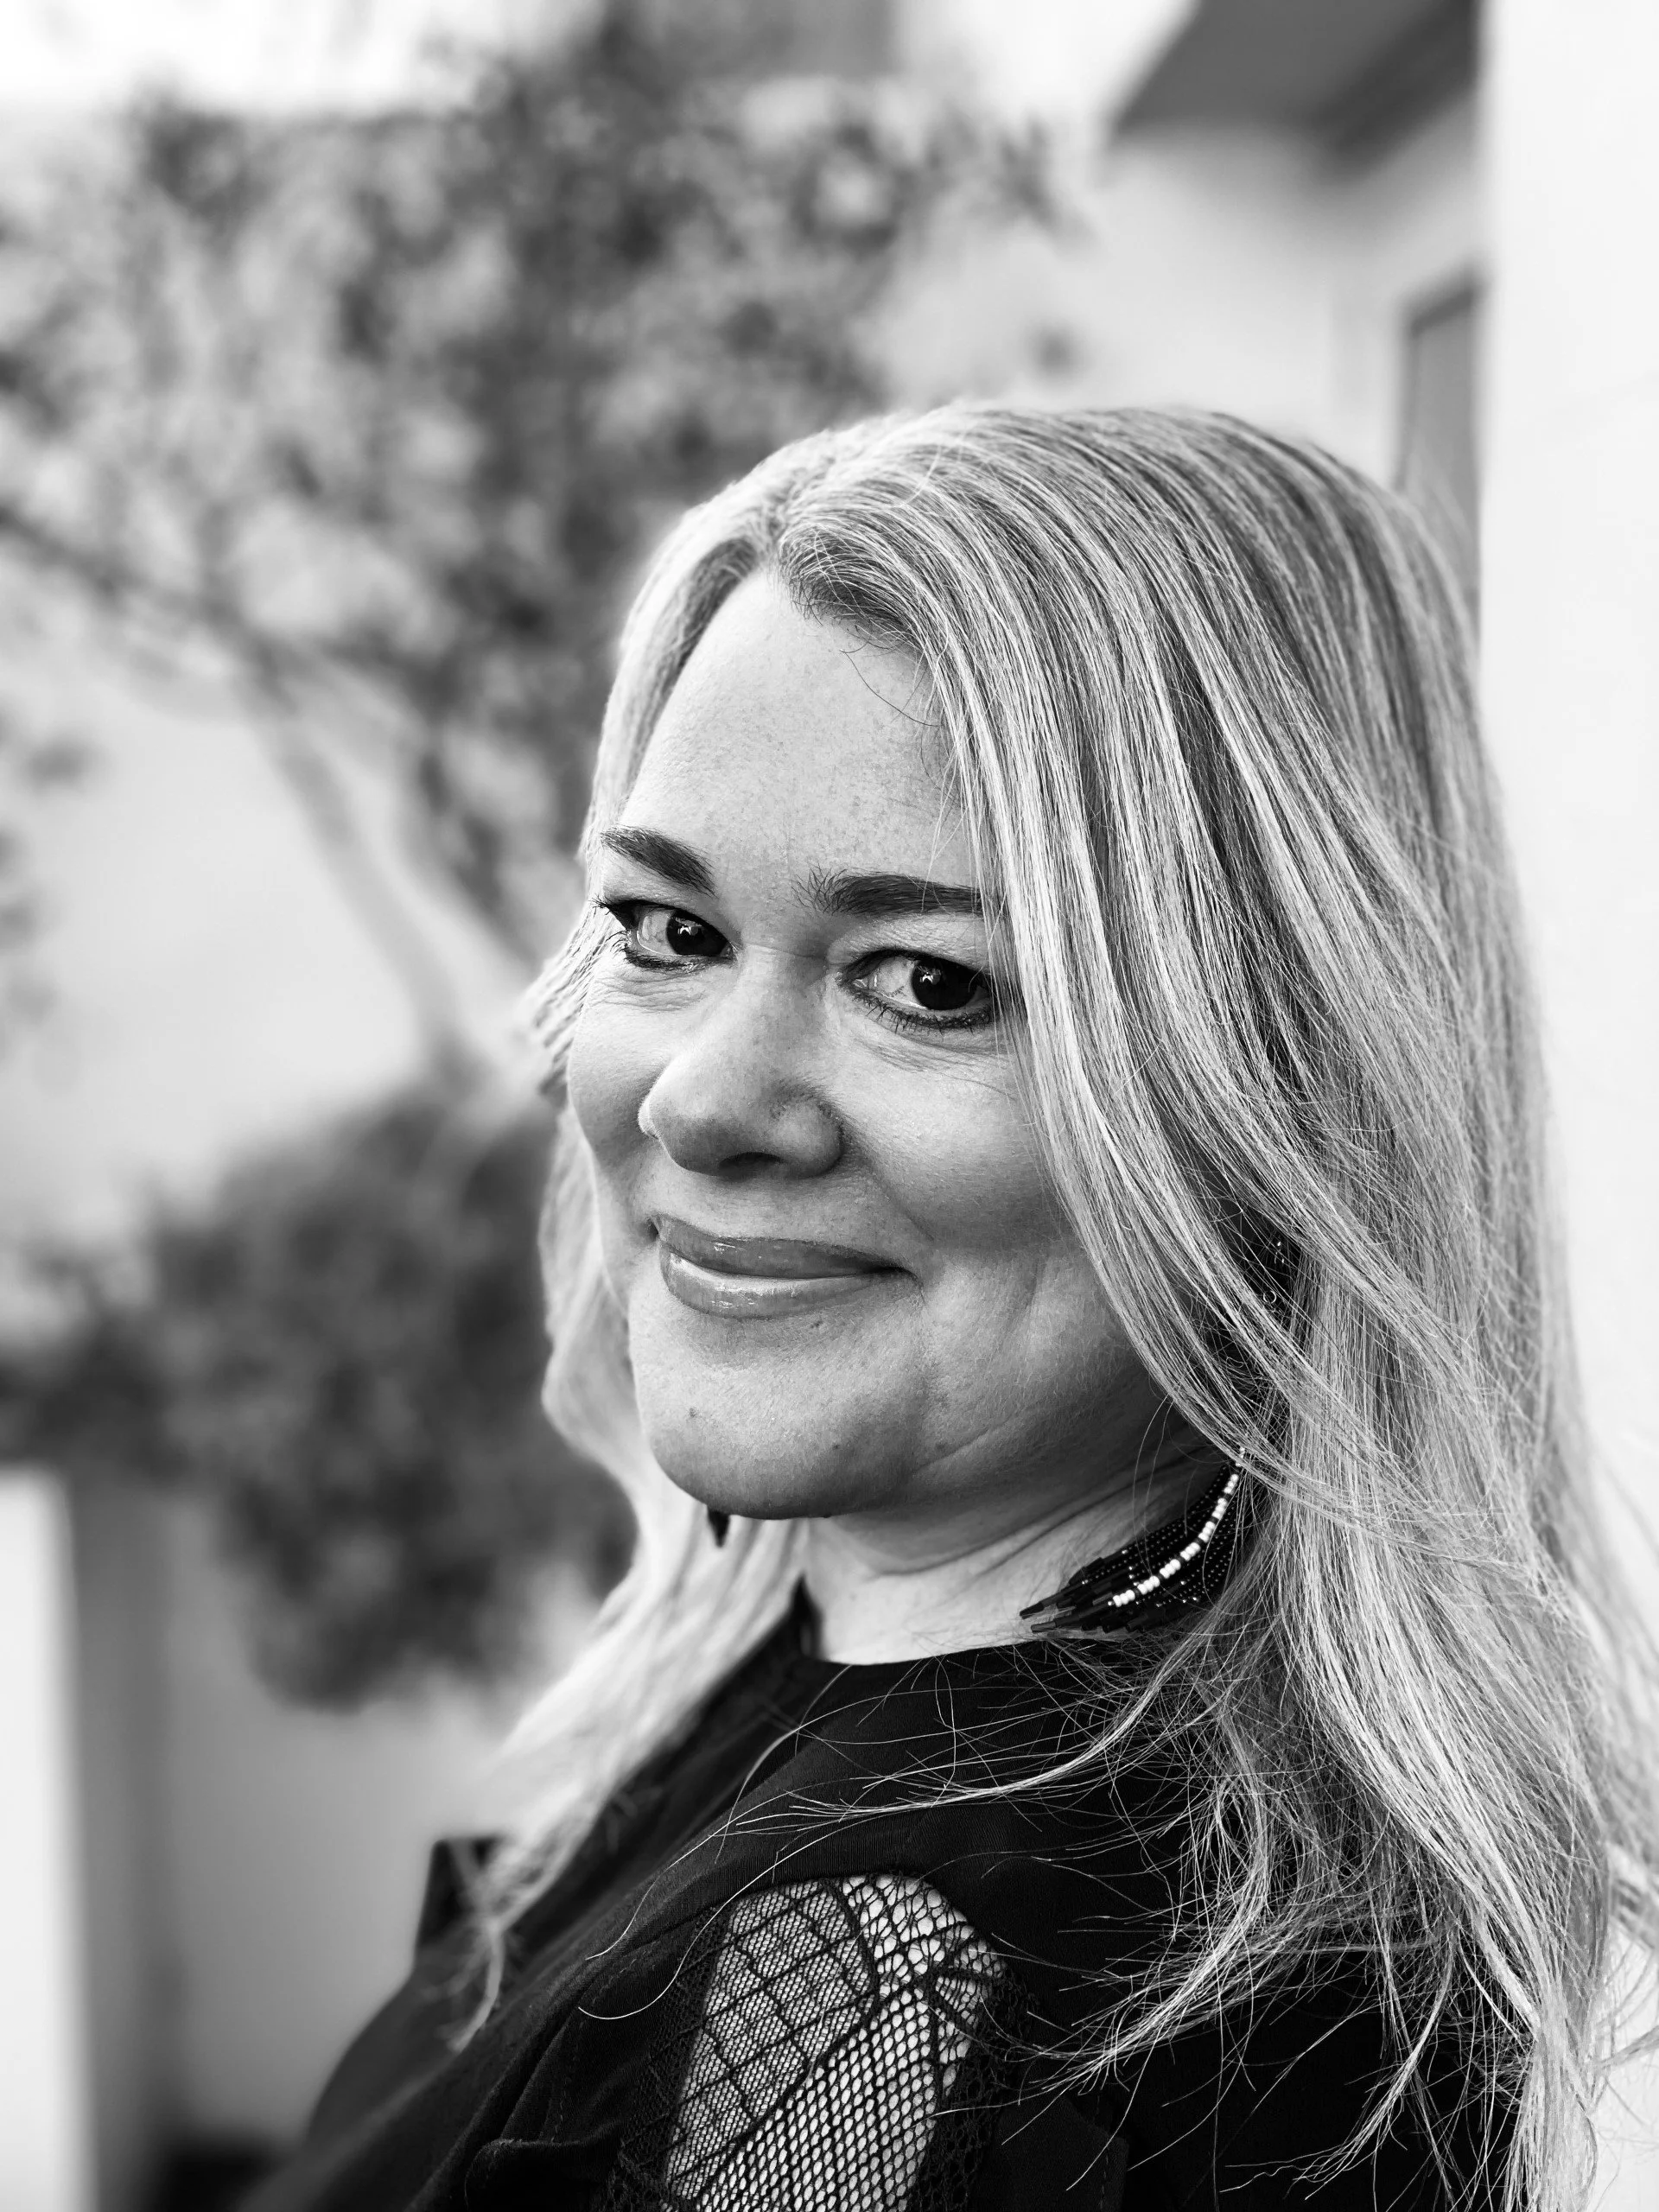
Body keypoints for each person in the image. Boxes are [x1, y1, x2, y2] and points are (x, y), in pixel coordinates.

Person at [251, 407, 1659, 2212]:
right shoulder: (944, 1731)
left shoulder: (896, 1981)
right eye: (667, 929)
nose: (700, 1098)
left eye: (928, 980)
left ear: (1283, 1088)